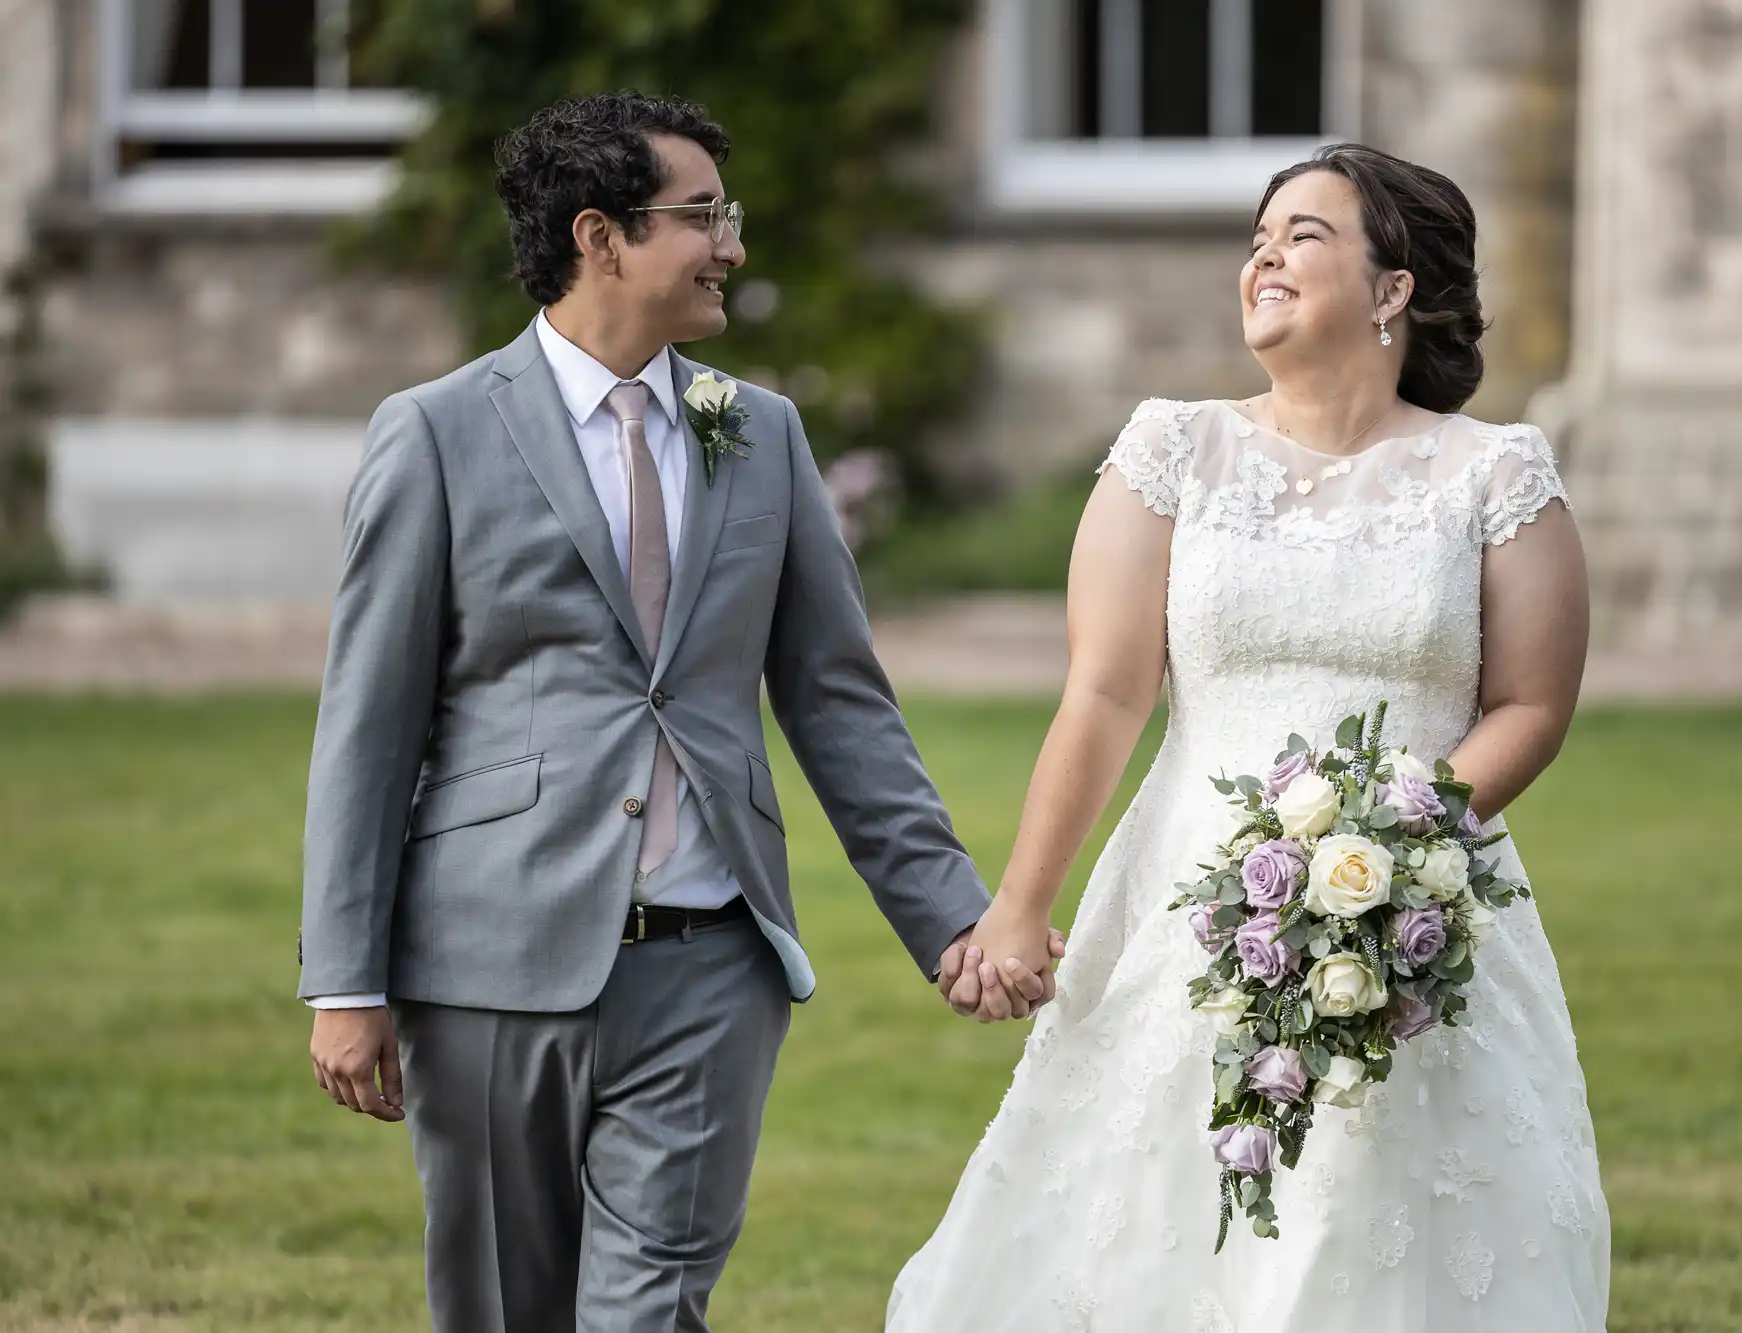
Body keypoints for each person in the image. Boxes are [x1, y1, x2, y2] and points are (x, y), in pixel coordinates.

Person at [296, 90, 1054, 1333]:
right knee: (502, 1305)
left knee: (645, 1309)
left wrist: (954, 920)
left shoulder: (757, 432)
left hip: (712, 959)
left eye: (728, 214)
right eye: (701, 216)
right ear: (598, 237)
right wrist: (346, 976)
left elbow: (839, 702)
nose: (731, 247)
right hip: (490, 963)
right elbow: (367, 725)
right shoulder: (433, 433)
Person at [899, 143, 1610, 1329]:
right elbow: (1103, 695)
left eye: (1305, 234)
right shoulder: (1172, 451)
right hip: (1185, 891)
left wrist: (1391, 852)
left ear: (1392, 289)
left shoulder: (1494, 473)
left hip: (1423, 897)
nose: (1264, 256)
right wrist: (1019, 905)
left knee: (1386, 1207)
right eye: (1256, 238)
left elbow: (1529, 708)